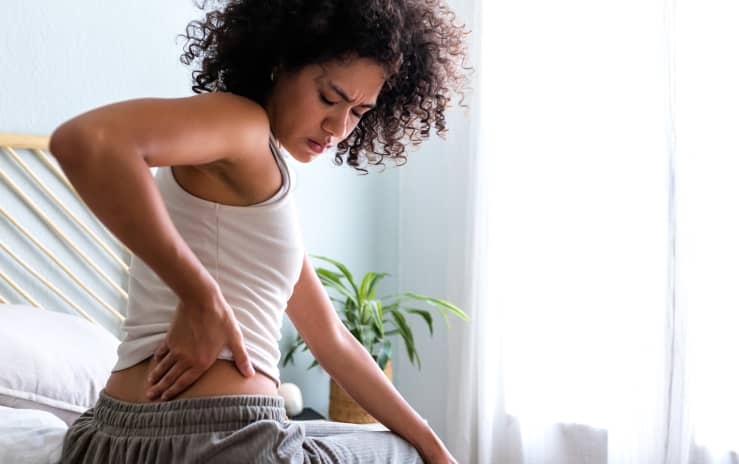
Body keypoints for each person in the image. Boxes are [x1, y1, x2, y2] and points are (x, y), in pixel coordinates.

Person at [53, 0, 470, 462]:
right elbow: (86, 140)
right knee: (402, 454)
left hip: (109, 441)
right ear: (279, 62)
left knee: (410, 447)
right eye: (330, 97)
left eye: (359, 112)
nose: (338, 126)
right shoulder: (242, 124)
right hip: (226, 440)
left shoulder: (257, 180)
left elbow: (329, 337)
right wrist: (201, 298)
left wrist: (437, 449)